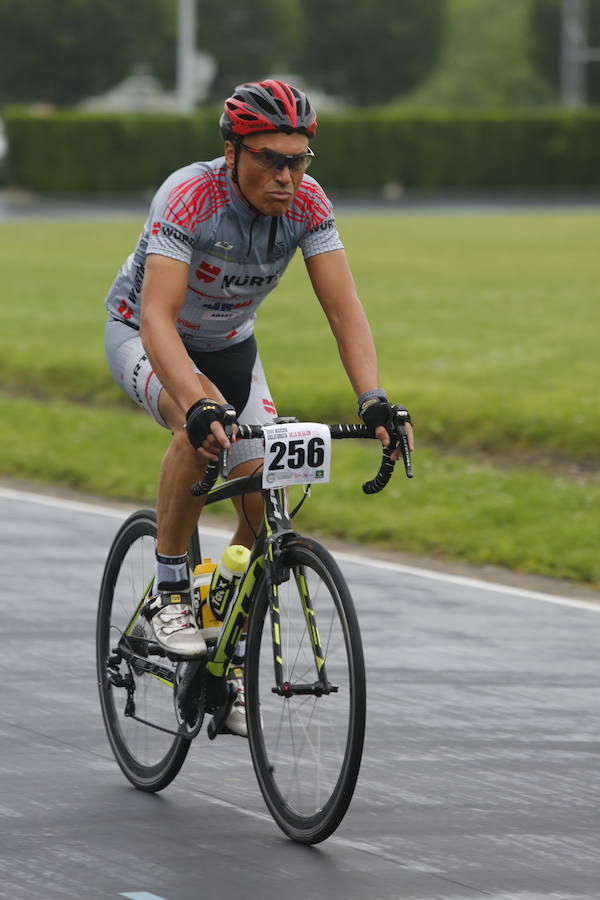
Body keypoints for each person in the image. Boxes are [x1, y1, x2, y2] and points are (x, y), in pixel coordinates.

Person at [104, 79, 413, 736]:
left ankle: (221, 649)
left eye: (297, 160)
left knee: (269, 482)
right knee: (205, 427)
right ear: (231, 150)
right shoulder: (189, 198)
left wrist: (374, 399)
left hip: (231, 345)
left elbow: (342, 307)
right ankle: (170, 593)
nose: (285, 174)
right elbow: (158, 317)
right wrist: (192, 403)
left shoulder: (308, 206)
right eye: (269, 157)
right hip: (144, 336)